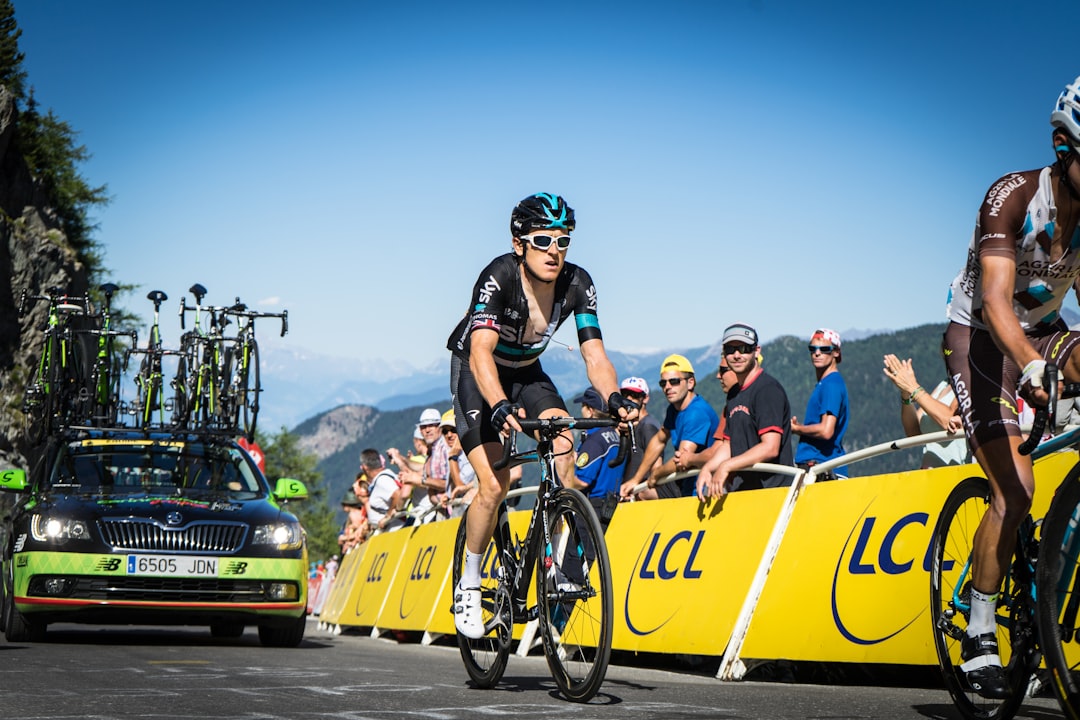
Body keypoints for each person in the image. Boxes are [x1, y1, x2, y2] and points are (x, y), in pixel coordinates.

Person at [940, 75, 1080, 699]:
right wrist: (1031, 370)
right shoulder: (1014, 195)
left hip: (1043, 327)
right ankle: (978, 632)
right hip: (979, 337)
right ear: (1063, 145)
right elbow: (996, 302)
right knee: (1015, 489)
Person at [446, 192, 634, 639]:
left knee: (564, 443)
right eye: (543, 239)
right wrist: (498, 405)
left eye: (563, 240)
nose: (554, 251)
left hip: (527, 371)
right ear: (519, 243)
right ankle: (469, 584)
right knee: (495, 484)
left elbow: (595, 354)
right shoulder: (498, 276)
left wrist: (614, 399)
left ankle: (555, 563)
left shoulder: (577, 283)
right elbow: (480, 351)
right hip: (479, 371)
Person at [697, 323, 794, 498]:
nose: (736, 355)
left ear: (756, 351)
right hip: (744, 494)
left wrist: (726, 466)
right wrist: (708, 468)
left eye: (743, 349)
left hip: (773, 494)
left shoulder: (767, 390)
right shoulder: (734, 394)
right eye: (730, 349)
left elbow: (770, 447)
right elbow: (728, 444)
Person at [619, 354, 719, 500]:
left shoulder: (696, 413)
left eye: (674, 381)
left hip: (702, 489)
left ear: (690, 383)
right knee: (641, 494)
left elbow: (682, 460)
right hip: (686, 485)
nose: (667, 387)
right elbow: (659, 440)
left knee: (645, 494)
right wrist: (636, 479)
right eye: (663, 383)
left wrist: (657, 474)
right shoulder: (674, 409)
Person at [881, 354, 969, 469]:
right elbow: (913, 431)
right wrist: (906, 394)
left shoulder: (968, 382)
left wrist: (912, 387)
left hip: (957, 475)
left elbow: (948, 420)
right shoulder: (944, 384)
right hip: (929, 474)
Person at [791, 328, 849, 479]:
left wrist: (797, 429)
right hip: (820, 467)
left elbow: (826, 430)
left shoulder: (831, 385)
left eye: (824, 349)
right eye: (813, 349)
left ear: (836, 352)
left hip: (823, 469)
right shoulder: (826, 383)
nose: (817, 353)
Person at [565, 387, 625, 530]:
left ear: (590, 411)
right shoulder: (614, 435)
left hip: (593, 508)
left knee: (576, 552)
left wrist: (563, 482)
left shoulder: (594, 441)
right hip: (611, 506)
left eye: (583, 407)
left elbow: (583, 481)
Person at [618, 376, 664, 496]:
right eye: (625, 394)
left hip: (639, 494)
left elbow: (656, 465)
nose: (629, 398)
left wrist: (640, 490)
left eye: (634, 395)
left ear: (645, 398)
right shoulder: (635, 426)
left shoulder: (648, 427)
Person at [440, 409, 477, 518]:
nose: (449, 435)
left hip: (469, 510)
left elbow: (460, 485)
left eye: (453, 430)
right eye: (445, 431)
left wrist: (453, 457)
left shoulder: (467, 454)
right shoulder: (451, 451)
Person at [361, 448, 407, 533]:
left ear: (365, 468)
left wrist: (388, 516)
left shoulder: (382, 480)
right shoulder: (384, 477)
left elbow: (397, 494)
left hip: (395, 530)